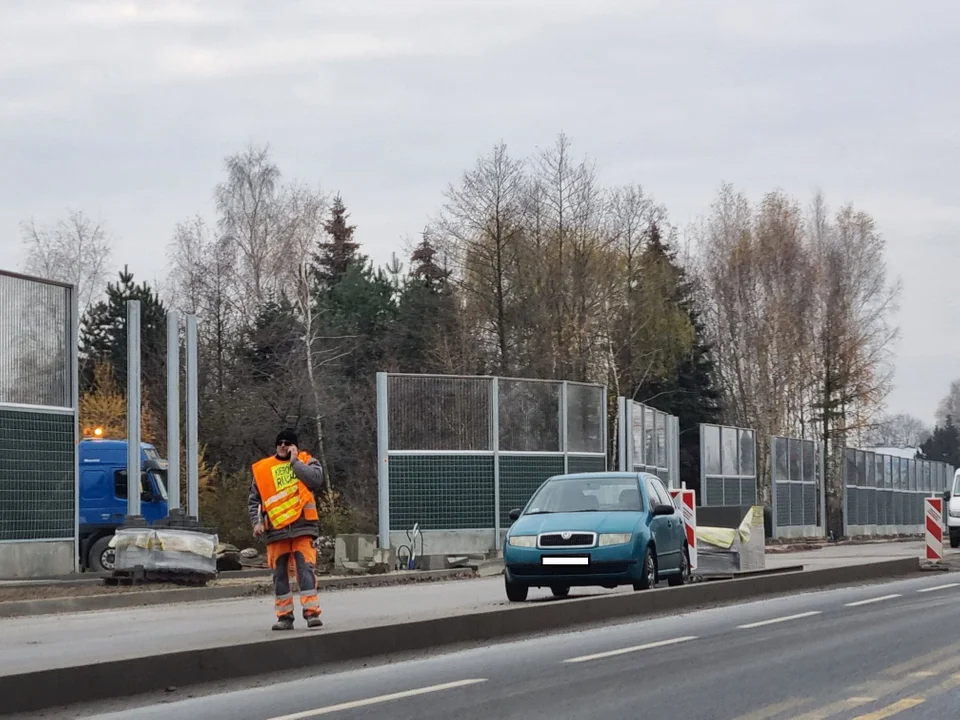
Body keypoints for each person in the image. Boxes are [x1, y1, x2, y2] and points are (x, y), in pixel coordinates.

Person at [248, 428, 325, 630]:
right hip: (276, 531)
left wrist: (295, 462)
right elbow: (255, 500)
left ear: (295, 446)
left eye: (287, 442)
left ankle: (311, 613)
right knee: (279, 574)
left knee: (305, 570)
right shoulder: (264, 469)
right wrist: (256, 522)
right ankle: (284, 617)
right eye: (280, 442)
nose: (283, 445)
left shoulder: (308, 461)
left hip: (302, 527)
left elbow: (315, 480)